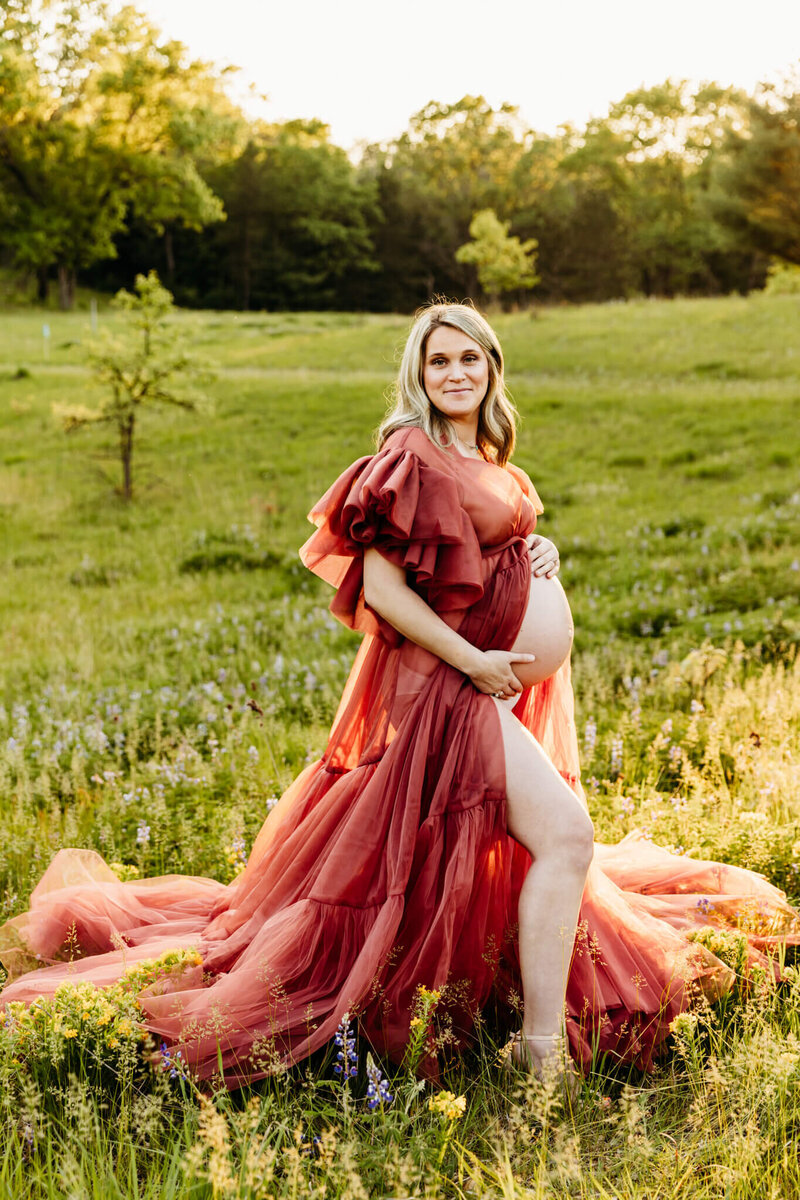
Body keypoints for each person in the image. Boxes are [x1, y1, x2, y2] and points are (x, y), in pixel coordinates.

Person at [1, 302, 798, 1091]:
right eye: (439, 361)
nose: (456, 373)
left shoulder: (480, 450)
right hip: (448, 687)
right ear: (419, 373)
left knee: (512, 848)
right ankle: (542, 1051)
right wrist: (470, 659)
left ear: (492, 368)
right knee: (567, 836)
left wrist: (534, 549)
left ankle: (518, 1022)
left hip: (484, 688)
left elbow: (483, 544)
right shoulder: (408, 454)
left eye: (470, 359)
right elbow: (382, 587)